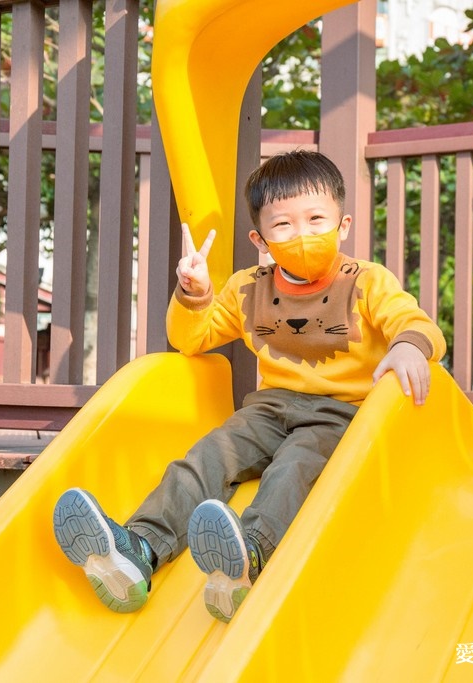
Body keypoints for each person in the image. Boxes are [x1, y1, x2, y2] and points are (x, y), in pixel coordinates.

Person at [53, 150, 446, 622]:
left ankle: (249, 556)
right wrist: (194, 294)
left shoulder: (367, 281)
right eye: (284, 225)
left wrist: (407, 347)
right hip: (269, 407)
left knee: (295, 466)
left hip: (341, 410)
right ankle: (139, 550)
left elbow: (416, 322)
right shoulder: (247, 288)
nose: (302, 235)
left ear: (342, 226)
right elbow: (191, 339)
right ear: (261, 239)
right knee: (206, 455)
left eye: (316, 219)